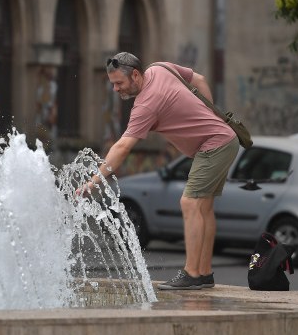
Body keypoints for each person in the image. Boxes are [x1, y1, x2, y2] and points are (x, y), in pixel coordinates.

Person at [77, 51, 239, 290]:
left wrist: (95, 180)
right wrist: (212, 116)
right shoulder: (159, 68)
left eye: (119, 83)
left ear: (135, 75)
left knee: (191, 203)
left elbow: (122, 147)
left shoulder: (146, 104)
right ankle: (203, 273)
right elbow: (201, 80)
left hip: (214, 145)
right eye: (112, 84)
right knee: (203, 205)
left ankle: (192, 274)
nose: (116, 89)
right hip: (225, 139)